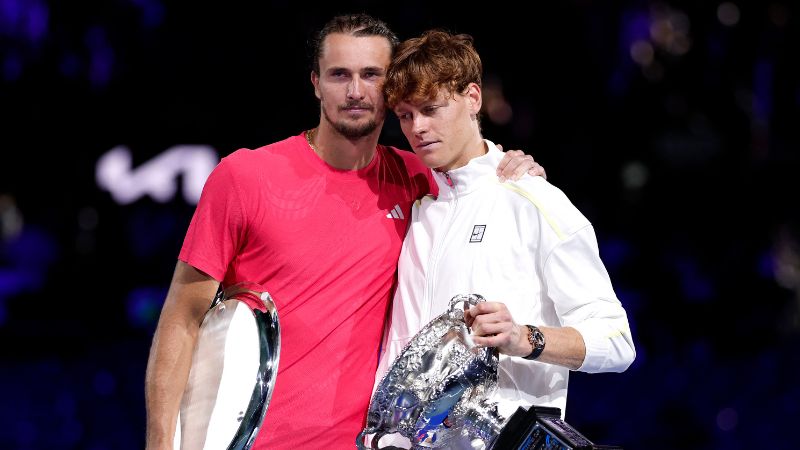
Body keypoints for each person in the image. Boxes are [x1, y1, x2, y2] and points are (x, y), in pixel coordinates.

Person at [144, 14, 544, 450]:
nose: (355, 91)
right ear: (315, 82)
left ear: (391, 89)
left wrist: (512, 167)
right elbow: (181, 320)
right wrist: (160, 443)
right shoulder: (244, 176)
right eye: (339, 75)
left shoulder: (418, 181)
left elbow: (475, 173)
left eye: (371, 75)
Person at [372, 30, 636, 448]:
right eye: (404, 115)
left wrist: (524, 337)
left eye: (431, 109)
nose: (418, 128)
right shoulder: (417, 208)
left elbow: (617, 343)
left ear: (473, 98)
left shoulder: (532, 201)